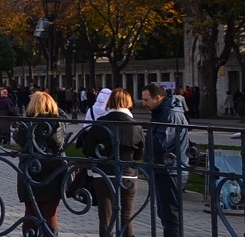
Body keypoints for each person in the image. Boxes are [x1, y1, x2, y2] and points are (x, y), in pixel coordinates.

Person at [77, 88, 144, 237]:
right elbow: (140, 153)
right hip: (127, 173)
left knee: (105, 215)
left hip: (103, 173)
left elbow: (87, 149)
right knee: (127, 215)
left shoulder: (101, 123)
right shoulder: (135, 125)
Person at [14, 91, 67, 237]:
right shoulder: (57, 121)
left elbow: (19, 139)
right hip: (53, 169)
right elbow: (64, 119)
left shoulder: (27, 122)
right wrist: (53, 107)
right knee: (50, 212)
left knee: (30, 211)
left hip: (30, 169)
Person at [141, 83, 189, 237]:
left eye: (147, 100)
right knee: (166, 214)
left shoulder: (170, 114)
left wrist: (141, 137)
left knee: (171, 216)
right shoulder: (163, 112)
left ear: (158, 97)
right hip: (165, 167)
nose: (144, 103)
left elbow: (160, 143)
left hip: (170, 169)